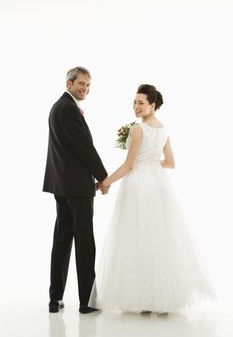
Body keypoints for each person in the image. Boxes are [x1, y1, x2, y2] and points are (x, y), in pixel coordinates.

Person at [88, 84, 215, 313]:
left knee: (135, 237)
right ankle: (161, 299)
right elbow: (170, 163)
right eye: (134, 102)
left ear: (152, 105)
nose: (136, 107)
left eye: (141, 103)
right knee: (159, 238)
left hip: (138, 185)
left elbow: (129, 165)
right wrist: (151, 164)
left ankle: (142, 300)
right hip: (158, 184)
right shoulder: (164, 129)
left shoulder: (138, 129)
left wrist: (104, 182)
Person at [43, 66, 109, 314]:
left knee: (62, 240)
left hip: (61, 184)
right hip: (77, 187)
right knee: (84, 243)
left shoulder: (59, 106)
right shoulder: (67, 108)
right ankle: (87, 301)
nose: (86, 89)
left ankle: (55, 299)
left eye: (89, 85)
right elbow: (83, 147)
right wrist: (103, 177)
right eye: (81, 84)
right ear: (69, 83)